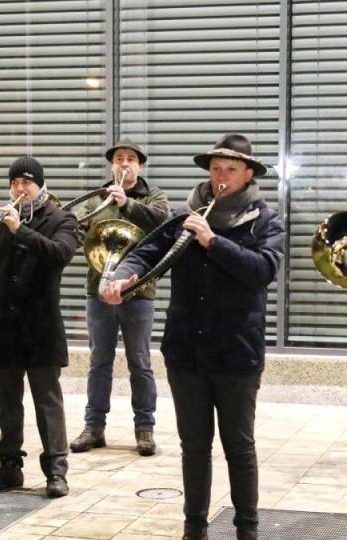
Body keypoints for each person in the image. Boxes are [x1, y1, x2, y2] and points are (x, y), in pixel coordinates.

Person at [101, 134, 285, 540]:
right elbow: (146, 251)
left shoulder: (265, 220)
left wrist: (212, 241)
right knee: (194, 447)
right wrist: (123, 277)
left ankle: (247, 530)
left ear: (248, 174)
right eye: (216, 169)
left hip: (237, 353)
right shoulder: (187, 214)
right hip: (187, 351)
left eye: (231, 169)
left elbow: (262, 271)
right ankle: (194, 528)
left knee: (239, 447)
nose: (221, 176)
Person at [0, 157, 77, 498]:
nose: (20, 189)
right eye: (14, 183)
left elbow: (59, 254)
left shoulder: (62, 219)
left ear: (40, 185)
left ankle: (56, 471)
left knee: (47, 402)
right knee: (7, 404)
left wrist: (19, 230)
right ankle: (9, 467)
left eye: (26, 182)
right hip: (4, 327)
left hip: (40, 328)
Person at [70, 140, 169, 457]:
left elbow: (162, 223)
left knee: (140, 362)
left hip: (139, 292)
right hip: (98, 290)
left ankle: (145, 428)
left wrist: (127, 204)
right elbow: (77, 231)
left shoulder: (154, 197)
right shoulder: (97, 198)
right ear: (112, 166)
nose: (124, 164)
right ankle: (94, 427)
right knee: (99, 361)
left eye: (130, 159)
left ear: (140, 166)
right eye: (118, 159)